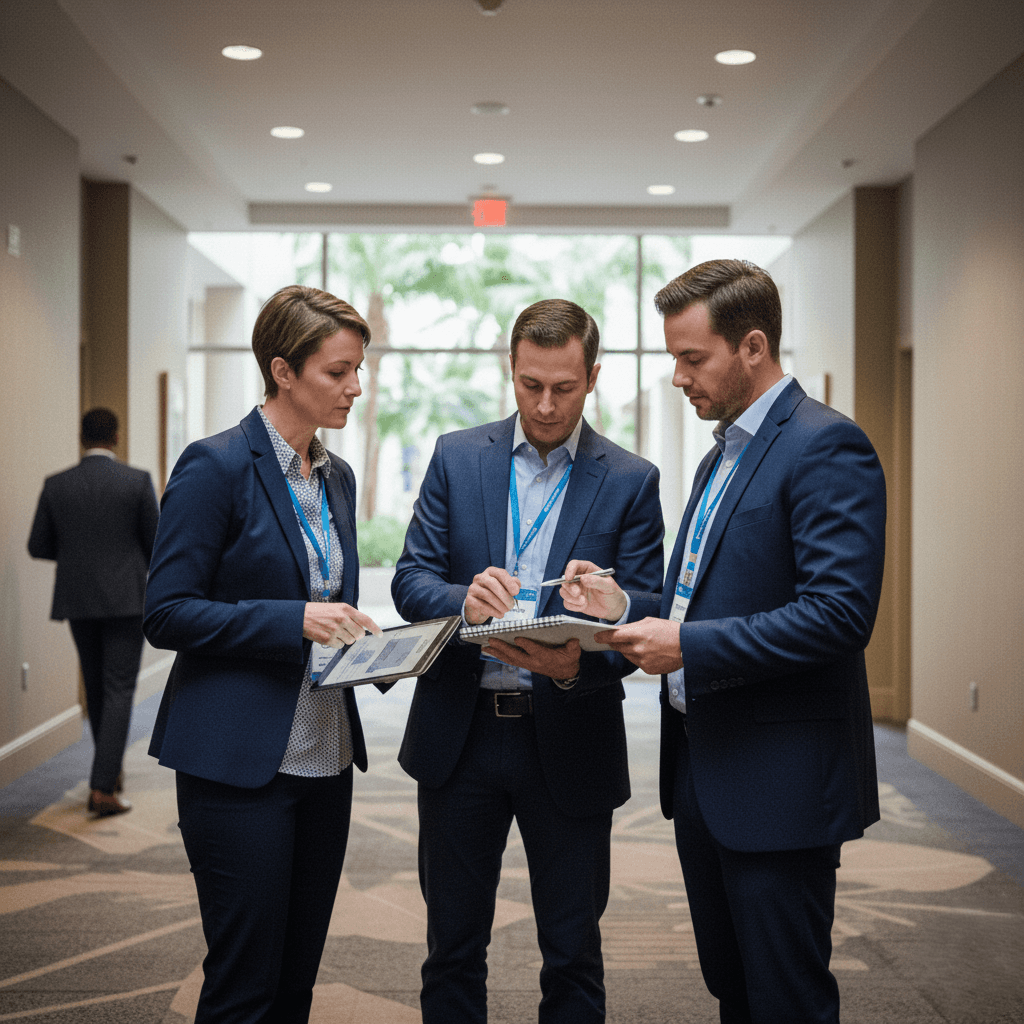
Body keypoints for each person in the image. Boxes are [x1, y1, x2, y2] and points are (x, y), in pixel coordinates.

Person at [563, 259, 886, 1024]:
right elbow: (701, 599)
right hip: (708, 774)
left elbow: (840, 615)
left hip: (780, 785)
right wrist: (624, 604)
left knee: (787, 999)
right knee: (734, 990)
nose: (677, 376)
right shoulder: (721, 454)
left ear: (752, 346)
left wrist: (690, 647)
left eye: (691, 357)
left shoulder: (825, 446)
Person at [391, 298, 665, 1024]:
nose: (545, 405)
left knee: (572, 950)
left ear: (594, 376)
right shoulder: (456, 456)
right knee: (452, 945)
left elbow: (645, 615)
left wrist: (579, 657)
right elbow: (410, 578)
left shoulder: (631, 479)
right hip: (462, 734)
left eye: (564, 388)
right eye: (529, 384)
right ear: (509, 371)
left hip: (571, 736)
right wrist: (463, 597)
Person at [144, 285, 383, 1024]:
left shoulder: (335, 475)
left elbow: (321, 601)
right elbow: (167, 612)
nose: (355, 386)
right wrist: (294, 620)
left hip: (325, 755)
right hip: (237, 763)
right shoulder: (215, 465)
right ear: (284, 371)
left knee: (295, 979)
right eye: (338, 371)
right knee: (244, 982)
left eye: (358, 370)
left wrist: (363, 642)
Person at [28, 407, 159, 817]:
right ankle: (103, 787)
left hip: (78, 601)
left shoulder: (57, 485)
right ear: (116, 436)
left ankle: (109, 769)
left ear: (81, 438)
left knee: (98, 687)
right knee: (119, 688)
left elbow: (38, 546)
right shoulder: (136, 482)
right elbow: (156, 545)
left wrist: (76, 557)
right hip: (126, 602)